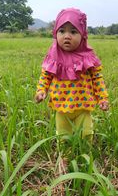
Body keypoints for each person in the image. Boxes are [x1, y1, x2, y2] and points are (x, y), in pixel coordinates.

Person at [35, 8, 109, 140]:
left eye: (73, 32)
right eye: (62, 31)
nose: (67, 36)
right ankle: (64, 157)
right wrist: (41, 90)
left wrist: (102, 98)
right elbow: (45, 76)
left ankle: (86, 157)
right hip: (61, 106)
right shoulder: (54, 56)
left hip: (83, 106)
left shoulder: (88, 57)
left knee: (86, 134)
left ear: (83, 35)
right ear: (55, 33)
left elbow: (97, 79)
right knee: (63, 136)